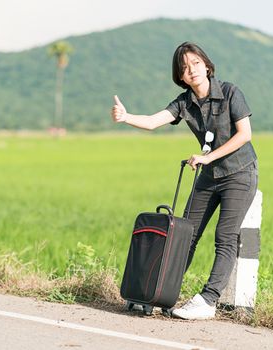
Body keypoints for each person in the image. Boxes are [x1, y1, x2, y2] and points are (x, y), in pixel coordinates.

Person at [110, 41, 258, 320]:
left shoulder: (229, 92)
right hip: (208, 176)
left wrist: (208, 157)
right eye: (185, 67)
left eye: (196, 63)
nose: (191, 70)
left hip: (239, 173)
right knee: (184, 236)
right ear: (180, 76)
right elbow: (154, 121)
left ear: (207, 65)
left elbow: (244, 135)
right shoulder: (184, 103)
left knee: (225, 238)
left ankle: (208, 301)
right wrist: (126, 117)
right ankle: (158, 291)